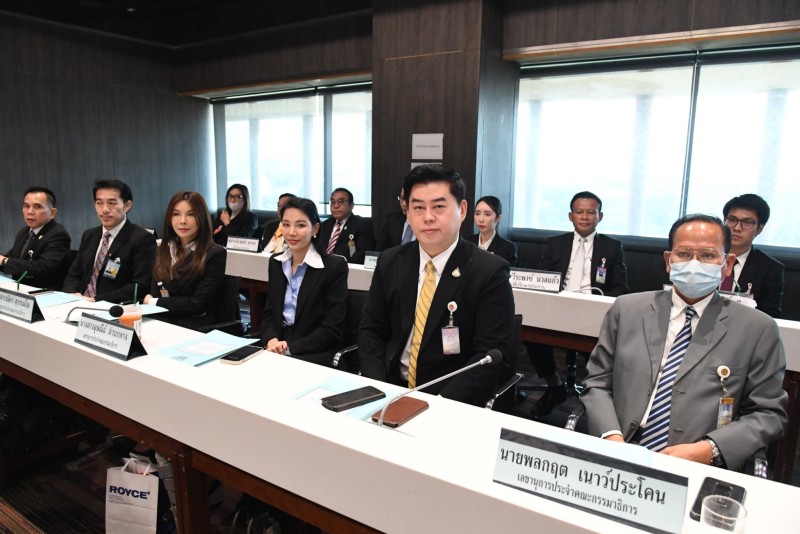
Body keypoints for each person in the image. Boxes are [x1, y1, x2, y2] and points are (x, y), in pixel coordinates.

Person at [581, 214, 787, 470]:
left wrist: (709, 449)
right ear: (669, 261)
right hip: (621, 447)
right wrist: (611, 437)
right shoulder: (627, 310)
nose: (694, 264)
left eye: (708, 256)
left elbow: (769, 413)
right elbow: (596, 382)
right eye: (684, 254)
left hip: (698, 460)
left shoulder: (757, 328)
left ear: (727, 264)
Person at [359, 164, 515, 406]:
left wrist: (440, 405)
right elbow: (372, 330)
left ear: (462, 210)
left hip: (448, 399)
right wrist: (379, 390)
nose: (428, 217)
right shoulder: (391, 261)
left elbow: (489, 356)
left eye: (439, 207)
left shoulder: (489, 271)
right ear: (407, 212)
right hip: (390, 390)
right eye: (418, 207)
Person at [529, 191, 629, 418]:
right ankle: (554, 384)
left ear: (600, 216)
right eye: (579, 212)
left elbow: (620, 288)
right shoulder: (555, 244)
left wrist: (596, 304)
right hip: (556, 308)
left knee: (603, 348)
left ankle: (594, 395)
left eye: (590, 212)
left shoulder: (612, 247)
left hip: (593, 311)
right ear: (570, 216)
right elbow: (541, 279)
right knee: (531, 334)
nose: (584, 217)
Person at [260, 197, 348, 366]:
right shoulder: (276, 263)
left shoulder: (333, 267)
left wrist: (288, 349)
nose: (291, 232)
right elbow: (270, 313)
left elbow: (332, 330)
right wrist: (271, 340)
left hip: (313, 352)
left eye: (300, 225)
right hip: (276, 347)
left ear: (315, 228)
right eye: (286, 224)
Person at [141, 192, 226, 330]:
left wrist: (154, 302)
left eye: (191, 214)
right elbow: (156, 291)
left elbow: (197, 304)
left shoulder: (215, 253)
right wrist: (158, 301)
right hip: (161, 322)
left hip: (194, 327)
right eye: (176, 214)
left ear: (202, 217)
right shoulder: (163, 249)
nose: (182, 221)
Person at [63, 179, 156, 303]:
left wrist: (95, 300)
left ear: (127, 206)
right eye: (99, 203)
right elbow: (74, 274)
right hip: (79, 302)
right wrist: (72, 294)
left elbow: (140, 286)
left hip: (112, 306)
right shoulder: (89, 235)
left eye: (112, 203)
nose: (105, 209)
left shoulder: (141, 238)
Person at [721, 193, 784, 317]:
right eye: (732, 220)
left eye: (747, 222)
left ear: (760, 229)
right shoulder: (703, 255)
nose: (737, 228)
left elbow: (770, 314)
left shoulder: (771, 269)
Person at [0, 186, 71, 290]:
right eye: (26, 206)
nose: (30, 211)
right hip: (21, 290)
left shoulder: (58, 235)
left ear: (52, 213)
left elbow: (42, 267)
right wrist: (3, 260)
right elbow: (11, 258)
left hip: (45, 292)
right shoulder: (24, 232)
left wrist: (5, 261)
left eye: (37, 207)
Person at [314, 187, 375, 264]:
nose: (336, 206)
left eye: (341, 202)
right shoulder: (324, 225)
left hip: (346, 267)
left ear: (351, 205)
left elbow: (362, 254)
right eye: (333, 202)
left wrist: (336, 263)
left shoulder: (362, 224)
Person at [467, 195, 517, 266]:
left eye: (487, 214)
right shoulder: (467, 243)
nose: (481, 219)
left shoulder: (508, 248)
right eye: (477, 214)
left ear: (498, 218)